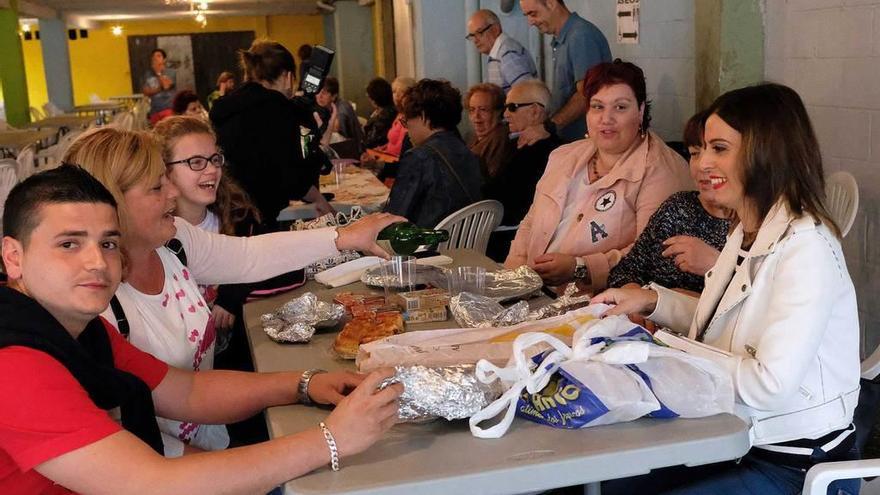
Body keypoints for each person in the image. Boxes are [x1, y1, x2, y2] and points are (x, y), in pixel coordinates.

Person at [0, 164, 403, 494]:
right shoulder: (15, 366)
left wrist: (305, 381)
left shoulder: (73, 327)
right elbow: (150, 482)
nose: (97, 262)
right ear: (13, 257)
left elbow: (187, 392)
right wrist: (332, 440)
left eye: (107, 243)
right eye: (69, 244)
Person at [63, 127, 402, 458]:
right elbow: (125, 449)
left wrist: (344, 237)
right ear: (111, 204)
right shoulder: (95, 306)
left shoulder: (174, 241)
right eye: (156, 187)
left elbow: (247, 257)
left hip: (208, 442)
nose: (172, 194)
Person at [594, 83, 860, 495]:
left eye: (719, 149)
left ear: (765, 153)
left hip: (796, 462)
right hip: (736, 437)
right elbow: (723, 324)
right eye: (700, 149)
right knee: (608, 483)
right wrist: (652, 301)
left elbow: (767, 385)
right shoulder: (747, 230)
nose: (701, 165)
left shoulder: (806, 246)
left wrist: (664, 345)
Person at [504, 60, 691, 292]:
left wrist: (580, 268)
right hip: (533, 294)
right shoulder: (563, 156)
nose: (606, 118)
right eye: (597, 107)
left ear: (641, 111)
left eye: (620, 107)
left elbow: (653, 255)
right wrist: (512, 277)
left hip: (600, 307)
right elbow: (531, 222)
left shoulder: (661, 170)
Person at [154, 116, 304, 374]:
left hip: (241, 363)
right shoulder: (153, 238)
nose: (211, 170)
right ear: (164, 172)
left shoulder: (239, 219)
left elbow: (280, 266)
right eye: (196, 162)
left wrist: (235, 292)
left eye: (214, 159)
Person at [210, 39, 331, 231]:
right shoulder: (281, 110)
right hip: (262, 220)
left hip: (224, 214)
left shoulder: (224, 108)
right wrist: (319, 199)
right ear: (287, 76)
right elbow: (294, 175)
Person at [607, 110, 732, 294]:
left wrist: (717, 267)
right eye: (695, 153)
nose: (702, 165)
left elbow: (756, 309)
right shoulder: (678, 207)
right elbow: (625, 271)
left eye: (719, 151)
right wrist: (636, 299)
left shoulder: (757, 227)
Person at [384, 79, 483, 228]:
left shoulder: (419, 157)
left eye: (406, 122)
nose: (407, 130)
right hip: (466, 246)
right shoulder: (467, 151)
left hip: (425, 245)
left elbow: (393, 219)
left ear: (423, 116)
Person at [484, 79, 561, 262]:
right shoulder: (513, 143)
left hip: (510, 241)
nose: (505, 114)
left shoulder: (545, 152)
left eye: (512, 107)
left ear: (535, 110)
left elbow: (501, 197)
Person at [519, 0, 611, 143]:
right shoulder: (564, 39)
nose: (530, 22)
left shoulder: (581, 36)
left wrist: (548, 127)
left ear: (551, 3)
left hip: (583, 144)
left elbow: (587, 94)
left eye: (533, 13)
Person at [466, 9, 537, 93]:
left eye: (479, 32)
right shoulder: (498, 53)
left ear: (495, 29)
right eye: (472, 35)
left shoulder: (508, 54)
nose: (475, 40)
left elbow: (527, 93)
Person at [466, 83, 515, 180]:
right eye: (472, 110)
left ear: (499, 112)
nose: (476, 116)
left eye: (483, 110)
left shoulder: (501, 141)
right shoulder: (471, 138)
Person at [316, 76, 364, 153]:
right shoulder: (321, 107)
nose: (320, 96)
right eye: (318, 92)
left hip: (353, 151)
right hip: (335, 149)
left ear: (334, 96)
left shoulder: (343, 108)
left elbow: (336, 129)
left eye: (324, 93)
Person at [142, 48, 177, 125]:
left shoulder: (171, 72)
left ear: (164, 60)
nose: (155, 58)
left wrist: (158, 73)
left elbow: (166, 86)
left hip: (168, 109)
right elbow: (145, 92)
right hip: (154, 111)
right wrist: (158, 89)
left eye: (159, 56)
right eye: (154, 56)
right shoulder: (148, 74)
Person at [362, 77, 397, 150]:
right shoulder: (389, 110)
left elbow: (370, 142)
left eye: (369, 97)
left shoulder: (385, 116)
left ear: (374, 99)